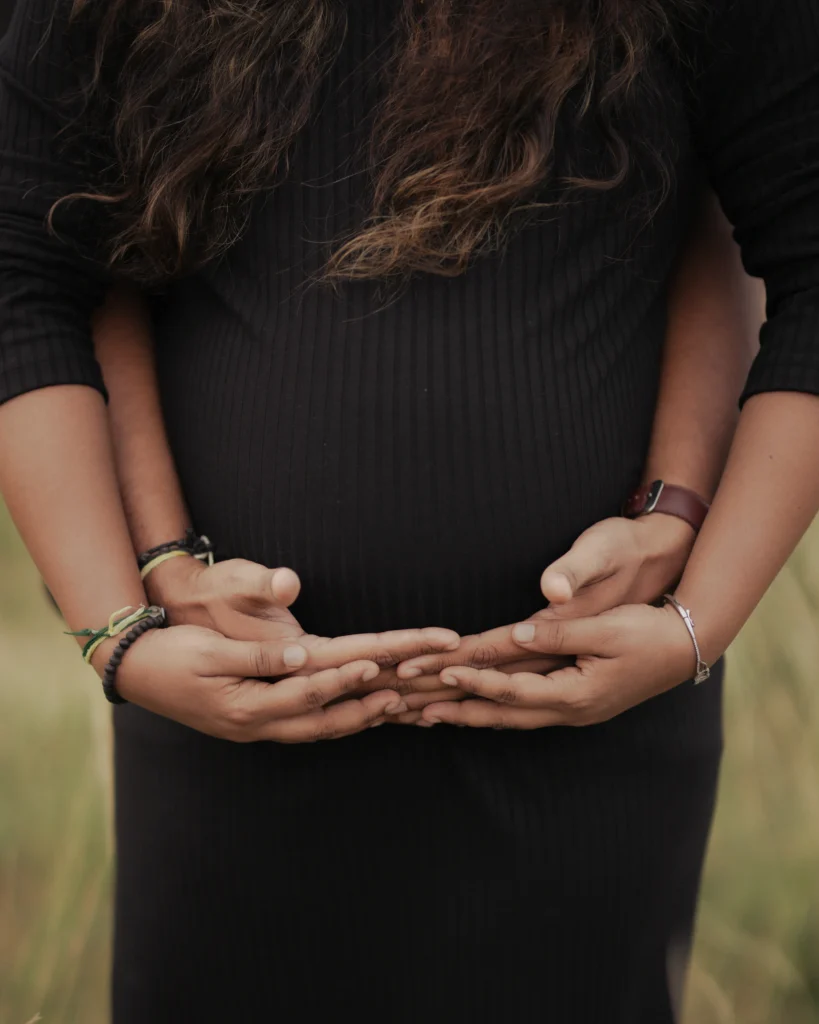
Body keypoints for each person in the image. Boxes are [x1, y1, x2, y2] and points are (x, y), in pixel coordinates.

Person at [0, 1, 816, 1022]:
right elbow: (37, 263)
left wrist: (697, 612)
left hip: (588, 739)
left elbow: (778, 234)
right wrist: (123, 627)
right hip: (228, 729)